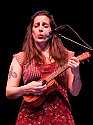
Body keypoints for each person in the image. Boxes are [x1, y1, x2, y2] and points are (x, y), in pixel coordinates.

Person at [6, 10, 82, 125]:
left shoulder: (67, 56)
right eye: (36, 25)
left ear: (52, 31)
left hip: (60, 116)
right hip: (30, 117)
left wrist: (76, 73)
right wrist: (27, 88)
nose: (40, 29)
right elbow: (9, 92)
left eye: (45, 25)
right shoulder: (20, 57)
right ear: (31, 31)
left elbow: (75, 92)